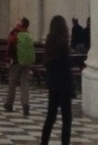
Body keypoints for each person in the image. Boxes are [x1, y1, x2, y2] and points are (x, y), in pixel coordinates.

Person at [41, 15, 74, 145]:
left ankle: (44, 143)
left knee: (50, 117)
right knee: (67, 119)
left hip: (53, 85)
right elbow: (66, 68)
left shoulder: (49, 43)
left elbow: (49, 65)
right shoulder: (63, 45)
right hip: (64, 86)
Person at [4, 17, 36, 116]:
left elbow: (10, 45)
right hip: (26, 62)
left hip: (16, 61)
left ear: (21, 23)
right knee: (24, 83)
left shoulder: (15, 32)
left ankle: (9, 104)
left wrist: (8, 59)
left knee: (12, 82)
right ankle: (25, 105)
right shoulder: (28, 35)